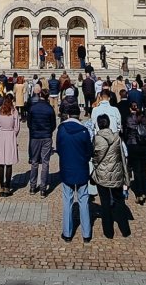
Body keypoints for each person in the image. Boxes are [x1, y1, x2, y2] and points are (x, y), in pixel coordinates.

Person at [56, 102, 93, 243]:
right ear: (79, 115)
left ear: (68, 115)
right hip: (81, 168)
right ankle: (86, 234)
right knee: (84, 200)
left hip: (67, 168)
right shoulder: (84, 131)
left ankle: (67, 233)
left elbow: (59, 149)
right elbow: (89, 151)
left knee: (67, 200)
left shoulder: (61, 129)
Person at [92, 113, 130, 238]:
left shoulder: (97, 139)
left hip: (102, 174)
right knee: (119, 201)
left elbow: (96, 157)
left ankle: (108, 232)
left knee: (105, 202)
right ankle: (125, 229)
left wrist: (95, 164)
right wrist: (126, 175)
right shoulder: (117, 137)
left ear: (98, 125)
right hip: (116, 173)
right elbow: (122, 156)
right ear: (108, 123)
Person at [28, 90, 56, 196]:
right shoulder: (50, 109)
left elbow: (29, 123)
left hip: (35, 136)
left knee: (34, 161)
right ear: (48, 96)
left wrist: (34, 130)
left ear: (40, 95)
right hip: (46, 136)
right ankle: (43, 189)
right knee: (45, 162)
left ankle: (32, 186)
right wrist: (48, 131)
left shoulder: (33, 108)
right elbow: (53, 124)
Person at [0, 93, 21, 196]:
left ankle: (1, 187)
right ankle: (7, 187)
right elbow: (17, 127)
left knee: (1, 163)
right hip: (10, 134)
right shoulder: (14, 111)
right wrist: (14, 134)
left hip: (2, 134)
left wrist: (0, 130)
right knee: (9, 163)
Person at [124, 102, 146, 204]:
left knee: (136, 170)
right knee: (143, 169)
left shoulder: (129, 118)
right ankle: (144, 190)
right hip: (144, 146)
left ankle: (139, 193)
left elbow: (126, 133)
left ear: (130, 109)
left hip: (133, 145)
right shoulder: (143, 118)